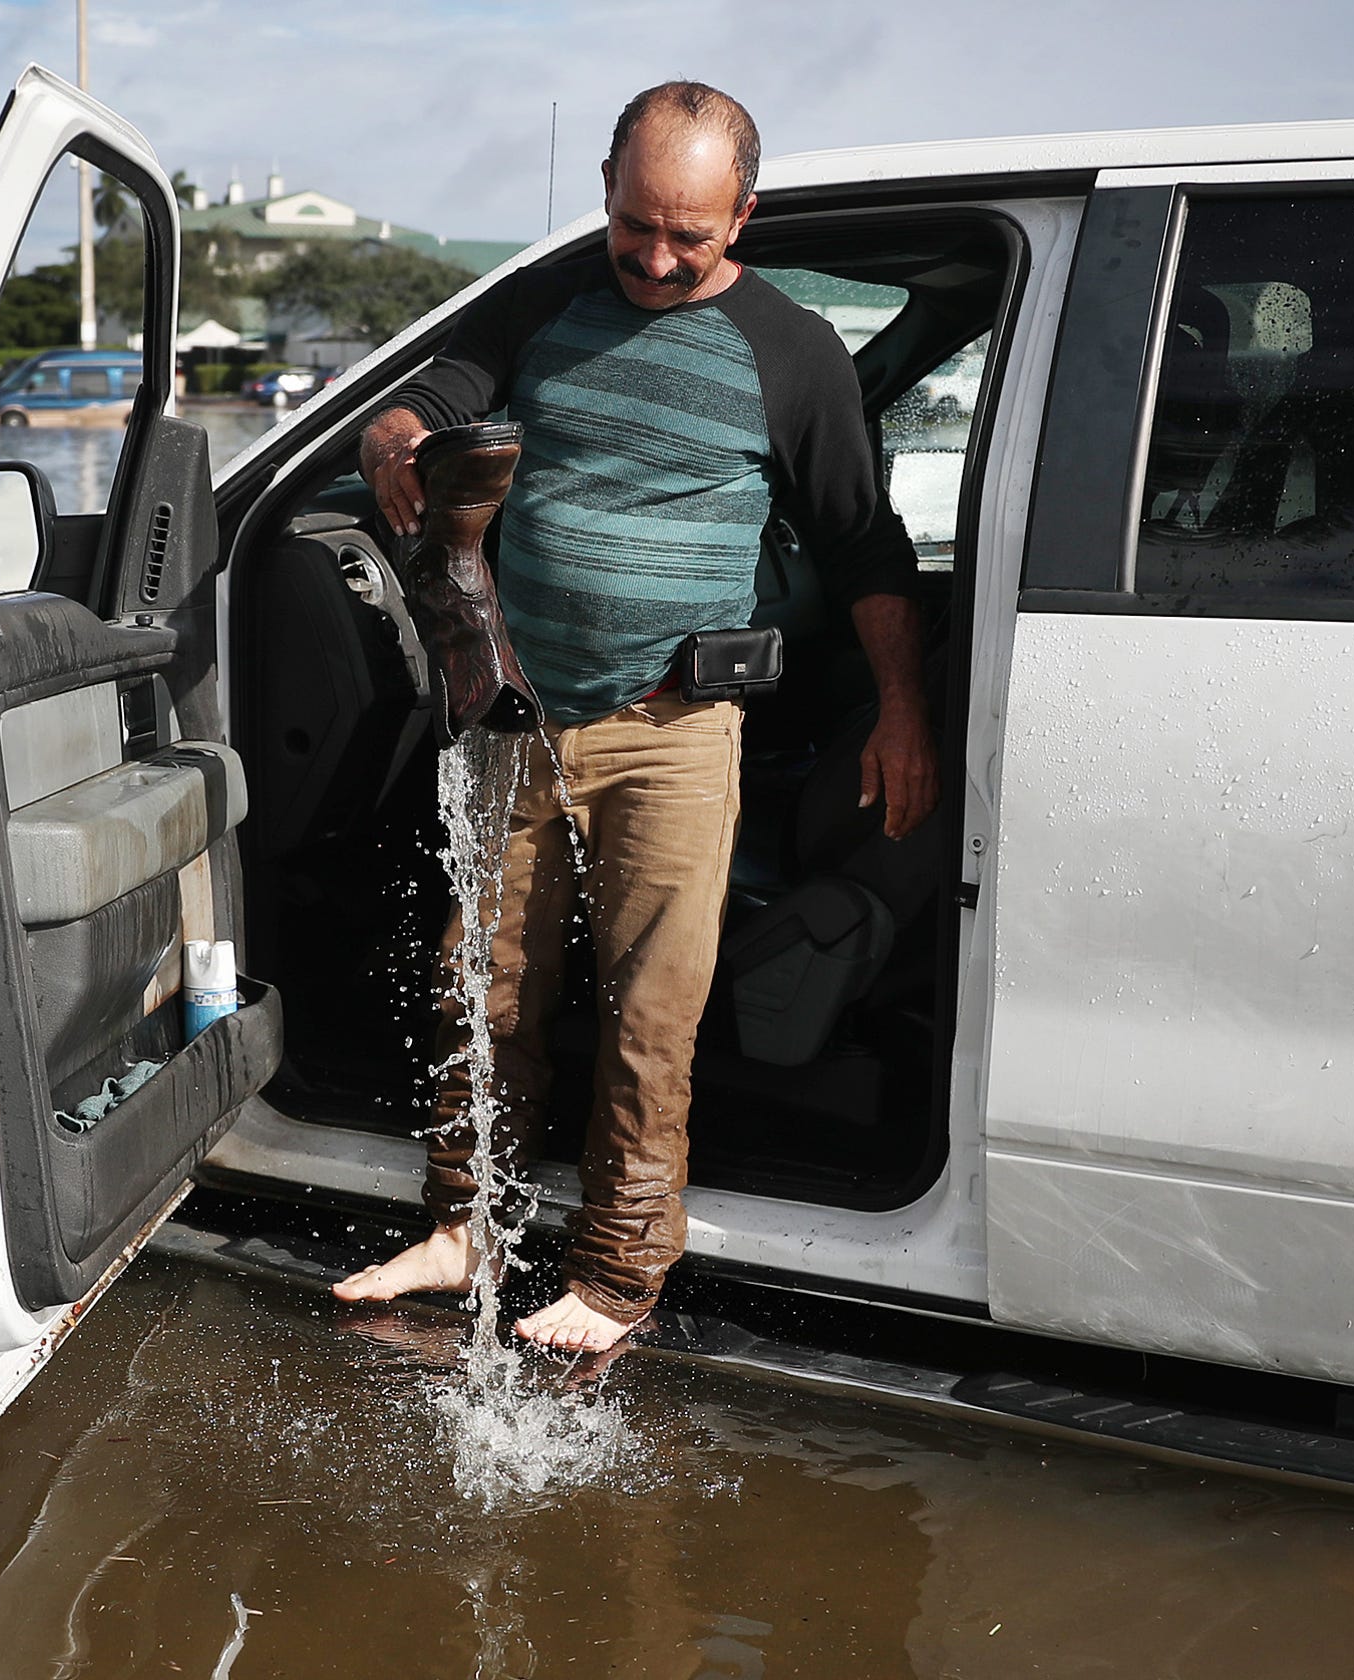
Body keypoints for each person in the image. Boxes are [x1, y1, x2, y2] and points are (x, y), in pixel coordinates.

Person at [332, 80, 937, 1351]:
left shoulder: (792, 354)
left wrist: (901, 712)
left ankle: (612, 1283)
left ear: (743, 218)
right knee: (474, 987)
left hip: (673, 733)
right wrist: (395, 427)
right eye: (634, 226)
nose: (656, 259)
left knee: (650, 1015)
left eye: (690, 236)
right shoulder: (553, 295)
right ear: (605, 194)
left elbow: (863, 545)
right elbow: (443, 386)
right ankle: (465, 1227)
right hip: (514, 717)